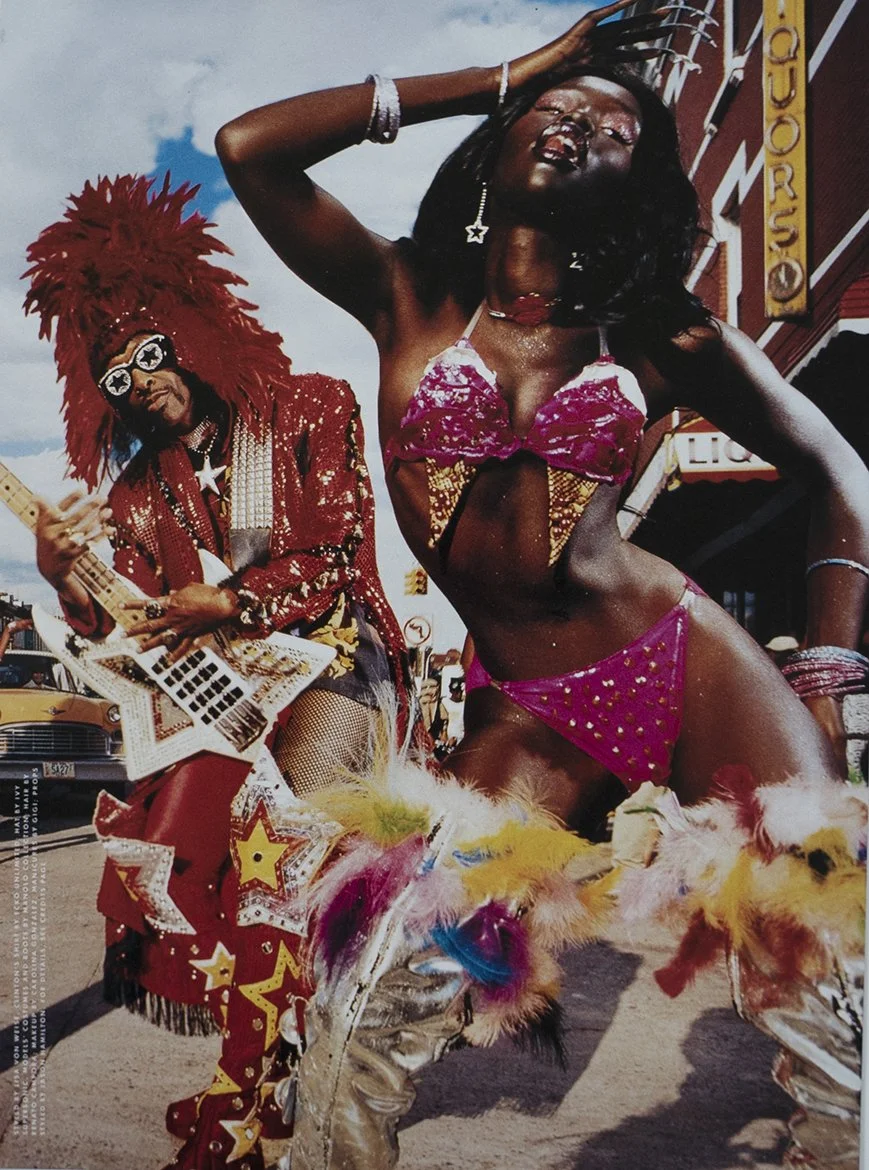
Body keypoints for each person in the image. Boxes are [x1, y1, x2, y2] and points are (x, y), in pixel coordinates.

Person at [213, 3, 869, 1167]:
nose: (575, 125)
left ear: (636, 184)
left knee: (829, 989)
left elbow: (836, 468)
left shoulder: (657, 335)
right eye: (554, 109)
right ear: (497, 141)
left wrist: (821, 674)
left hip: (680, 656)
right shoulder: (405, 292)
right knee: (373, 999)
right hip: (528, 704)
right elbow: (249, 148)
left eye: (613, 128)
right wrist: (507, 70)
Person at [23, 174, 411, 1170]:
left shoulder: (308, 406)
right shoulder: (139, 488)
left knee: (280, 835)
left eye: (149, 354)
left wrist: (227, 603)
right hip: (221, 698)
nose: (139, 381)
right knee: (195, 848)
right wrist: (67, 575)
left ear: (193, 329)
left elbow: (329, 556)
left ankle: (249, 1093)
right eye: (114, 376)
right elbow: (129, 624)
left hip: (330, 660)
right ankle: (268, 1061)